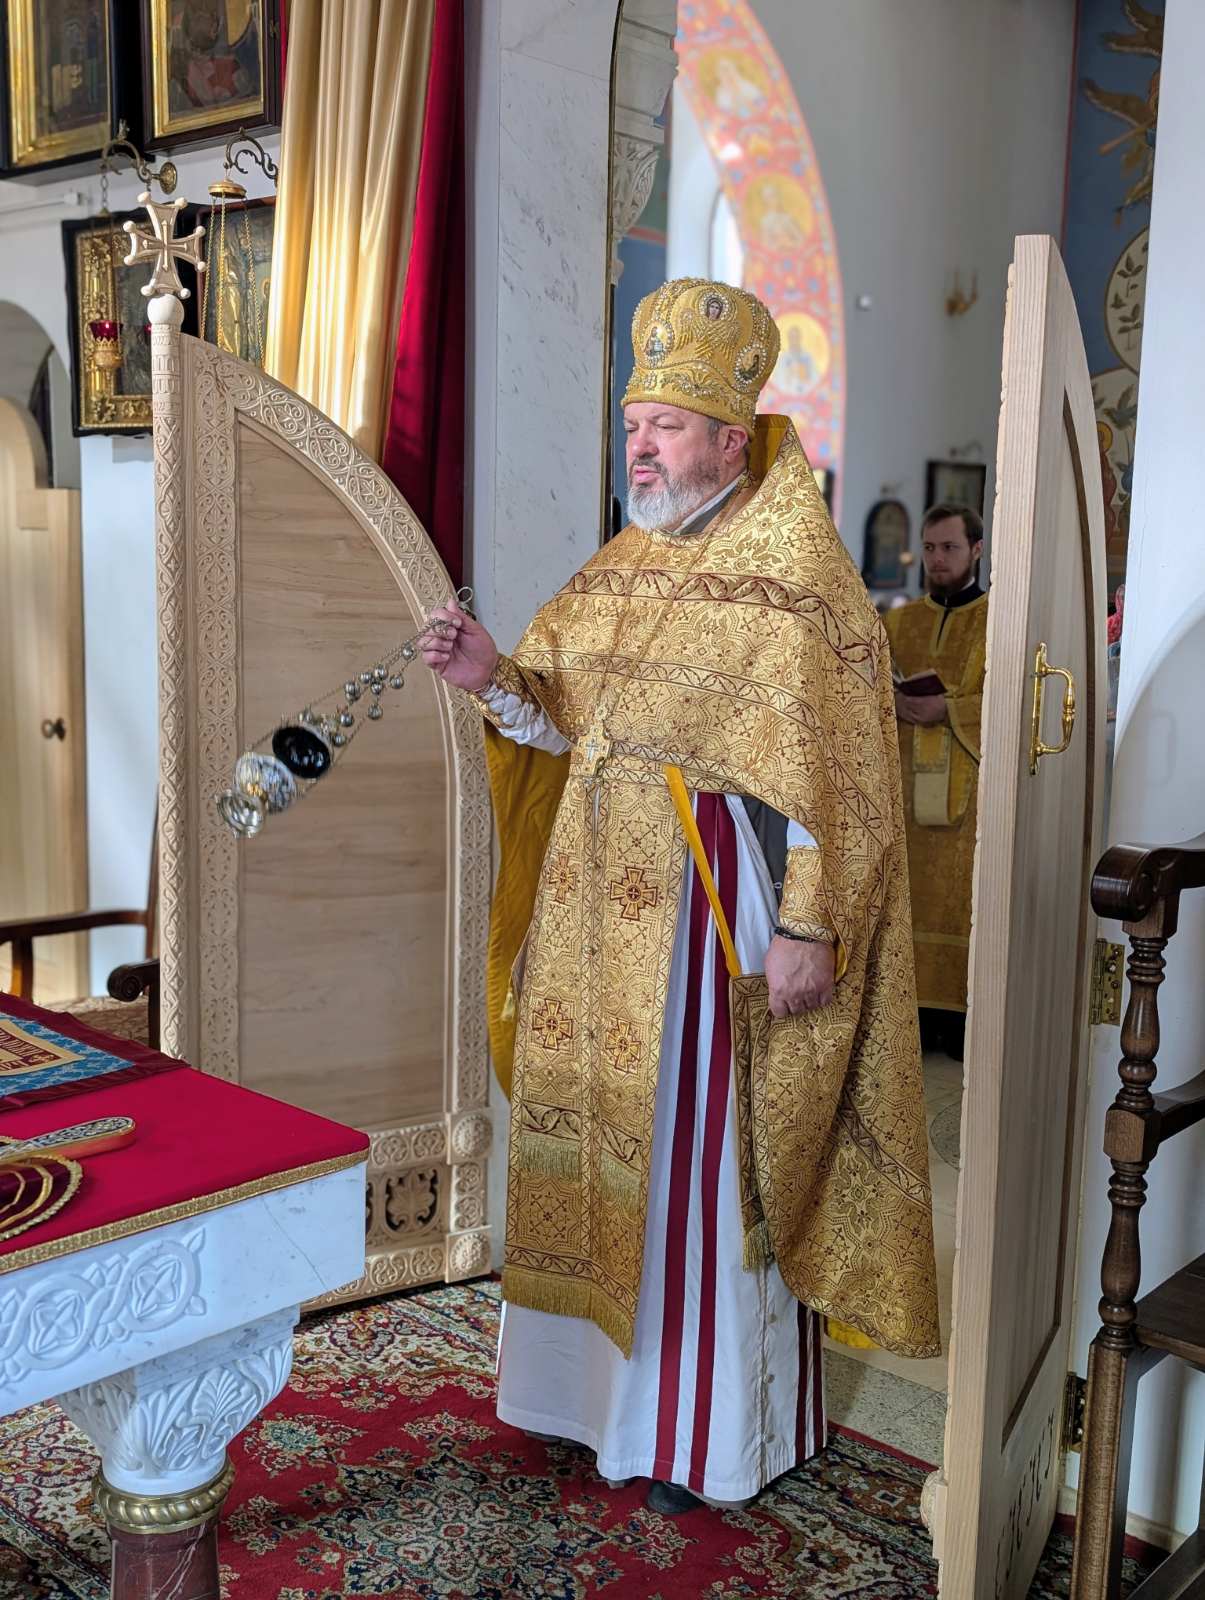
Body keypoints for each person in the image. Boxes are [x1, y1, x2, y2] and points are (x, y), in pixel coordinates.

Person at [422, 279, 939, 1514]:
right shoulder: (621, 565)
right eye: (632, 424)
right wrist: (496, 676)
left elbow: (837, 779)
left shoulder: (801, 581)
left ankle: (707, 1436)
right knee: (585, 1136)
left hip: (709, 920)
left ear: (729, 440)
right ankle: (581, 1404)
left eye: (662, 427)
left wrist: (810, 922)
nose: (639, 448)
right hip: (591, 917)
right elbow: (564, 722)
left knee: (700, 1173)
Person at [883, 503, 988, 1061]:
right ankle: (909, 1020)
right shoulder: (898, 623)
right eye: (929, 548)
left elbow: (1012, 701)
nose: (937, 559)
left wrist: (950, 709)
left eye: (949, 548)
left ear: (976, 549)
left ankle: (959, 1022)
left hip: (968, 800)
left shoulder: (998, 621)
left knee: (957, 901)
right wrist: (895, 702)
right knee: (908, 901)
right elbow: (866, 691)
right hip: (902, 790)